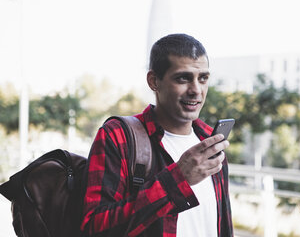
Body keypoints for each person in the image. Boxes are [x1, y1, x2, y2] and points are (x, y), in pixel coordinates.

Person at [80, 33, 233, 237]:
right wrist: (177, 179)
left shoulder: (210, 140)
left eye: (203, 78)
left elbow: (222, 224)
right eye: (183, 78)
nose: (196, 90)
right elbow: (94, 228)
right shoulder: (119, 137)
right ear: (154, 81)